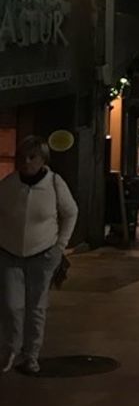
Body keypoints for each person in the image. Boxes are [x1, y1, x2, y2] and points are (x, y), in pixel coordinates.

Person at [0, 137, 79, 375]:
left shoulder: (54, 183)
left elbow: (70, 213)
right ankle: (11, 349)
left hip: (43, 254)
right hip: (9, 253)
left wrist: (59, 247)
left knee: (36, 307)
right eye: (22, 157)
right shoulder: (9, 184)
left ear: (43, 159)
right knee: (12, 305)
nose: (26, 162)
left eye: (32, 156)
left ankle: (31, 355)